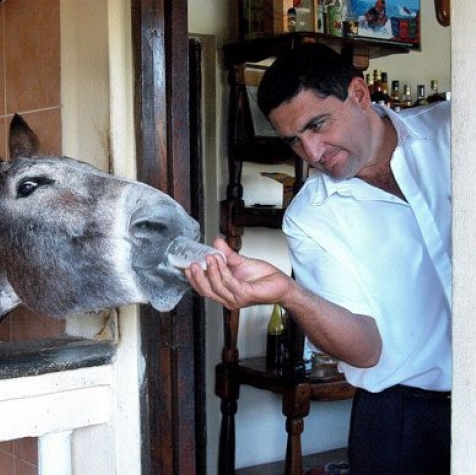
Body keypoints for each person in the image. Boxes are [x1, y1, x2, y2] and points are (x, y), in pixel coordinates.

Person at [187, 43, 451, 474]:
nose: (311, 152)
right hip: (403, 423)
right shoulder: (309, 217)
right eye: (294, 140)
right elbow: (365, 350)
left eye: (317, 124)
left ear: (359, 94)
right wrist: (290, 294)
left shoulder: (454, 131)